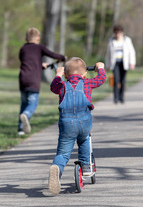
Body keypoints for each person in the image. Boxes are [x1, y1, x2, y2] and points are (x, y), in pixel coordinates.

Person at [48, 57, 106, 195]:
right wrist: (101, 68)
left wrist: (58, 74)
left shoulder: (61, 85)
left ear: (66, 75)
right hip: (84, 122)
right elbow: (101, 79)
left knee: (62, 153)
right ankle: (86, 167)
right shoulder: (87, 83)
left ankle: (57, 168)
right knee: (84, 139)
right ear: (84, 74)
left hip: (66, 124)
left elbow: (53, 86)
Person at [18, 28, 66, 135]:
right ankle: (26, 114)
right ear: (38, 38)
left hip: (23, 79)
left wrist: (39, 65)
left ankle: (20, 129)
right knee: (33, 103)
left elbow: (26, 61)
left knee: (24, 103)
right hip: (33, 80)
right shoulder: (40, 47)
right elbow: (52, 54)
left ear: (26, 38)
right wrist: (63, 57)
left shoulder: (23, 49)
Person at [105, 25, 136, 104]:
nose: (118, 34)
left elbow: (131, 52)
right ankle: (116, 97)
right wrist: (107, 65)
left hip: (124, 63)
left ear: (122, 33)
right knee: (116, 80)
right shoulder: (111, 41)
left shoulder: (127, 40)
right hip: (115, 63)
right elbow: (108, 54)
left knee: (122, 80)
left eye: (119, 32)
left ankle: (121, 97)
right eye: (116, 33)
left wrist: (132, 63)